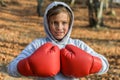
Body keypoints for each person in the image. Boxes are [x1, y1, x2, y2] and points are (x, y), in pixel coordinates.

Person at [7, 1, 109, 80]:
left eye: (64, 23)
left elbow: (105, 65)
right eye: (55, 23)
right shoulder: (38, 44)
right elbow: (11, 69)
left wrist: (92, 63)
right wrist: (27, 65)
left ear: (70, 24)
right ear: (47, 23)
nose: (59, 27)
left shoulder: (77, 44)